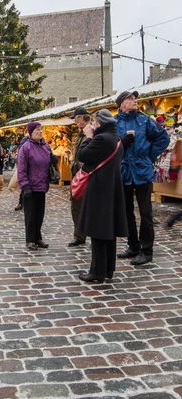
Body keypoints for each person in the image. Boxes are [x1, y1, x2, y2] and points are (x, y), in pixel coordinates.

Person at [115, 90, 170, 266]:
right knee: (126, 211)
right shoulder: (115, 122)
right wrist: (120, 143)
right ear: (122, 104)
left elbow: (163, 137)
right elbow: (107, 145)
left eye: (135, 98)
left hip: (141, 171)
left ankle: (147, 250)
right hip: (124, 172)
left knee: (145, 212)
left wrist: (149, 156)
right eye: (130, 99)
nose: (135, 101)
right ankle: (133, 246)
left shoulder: (145, 120)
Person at [77, 109, 127, 283]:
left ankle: (97, 271)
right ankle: (108, 269)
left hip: (99, 189)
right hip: (112, 189)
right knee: (108, 231)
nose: (93, 125)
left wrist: (89, 136)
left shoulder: (101, 138)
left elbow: (82, 155)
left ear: (100, 123)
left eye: (95, 122)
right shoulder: (116, 138)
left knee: (97, 231)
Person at [17, 122, 52, 250]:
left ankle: (38, 238)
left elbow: (49, 163)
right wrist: (25, 186)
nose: (40, 131)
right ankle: (30, 240)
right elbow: (21, 168)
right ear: (31, 132)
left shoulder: (46, 146)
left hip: (42, 185)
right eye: (37, 130)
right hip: (30, 187)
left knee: (39, 214)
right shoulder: (26, 148)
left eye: (41, 129)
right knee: (30, 215)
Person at [68, 107, 91, 247]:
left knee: (88, 206)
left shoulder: (91, 133)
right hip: (77, 176)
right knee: (76, 205)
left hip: (86, 175)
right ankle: (79, 235)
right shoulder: (80, 133)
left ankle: (91, 234)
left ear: (80, 118)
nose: (75, 122)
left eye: (76, 119)